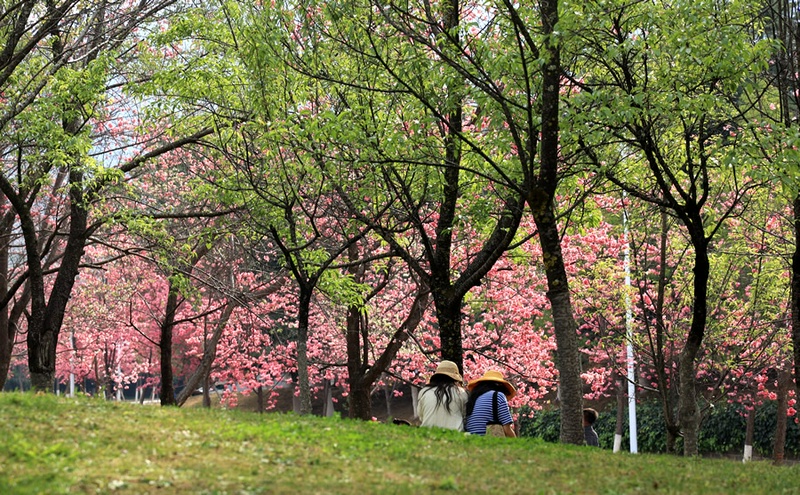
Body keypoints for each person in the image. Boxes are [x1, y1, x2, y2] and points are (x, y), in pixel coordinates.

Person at [417, 360, 468, 431]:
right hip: (455, 434)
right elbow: (465, 415)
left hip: (427, 434)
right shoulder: (460, 392)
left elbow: (421, 416)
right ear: (454, 378)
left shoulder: (424, 392)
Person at [464, 369, 517, 437]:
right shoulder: (498, 395)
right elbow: (507, 429)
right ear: (499, 385)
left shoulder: (474, 398)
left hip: (471, 440)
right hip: (487, 442)